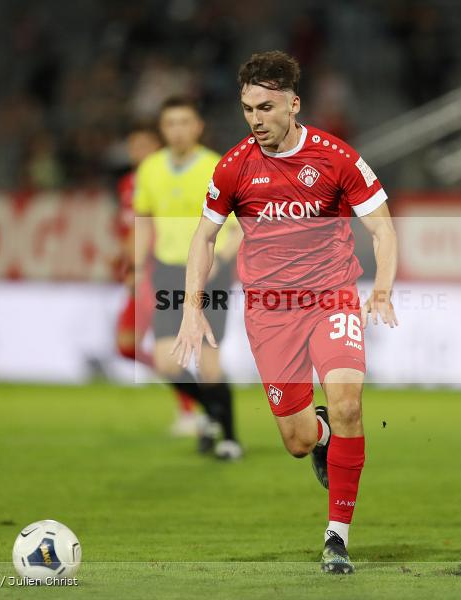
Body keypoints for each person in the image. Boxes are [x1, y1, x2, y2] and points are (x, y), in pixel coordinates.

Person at [172, 51, 397, 574]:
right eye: (248, 108)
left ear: (293, 105)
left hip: (331, 296)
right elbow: (204, 238)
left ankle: (336, 537)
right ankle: (320, 434)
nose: (256, 119)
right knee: (297, 442)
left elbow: (383, 228)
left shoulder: (336, 157)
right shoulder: (233, 166)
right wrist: (190, 308)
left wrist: (381, 288)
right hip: (270, 312)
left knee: (347, 402)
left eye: (266, 107)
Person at [133, 97, 243, 459]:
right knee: (166, 361)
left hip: (210, 273)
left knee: (209, 362)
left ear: (198, 127)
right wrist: (136, 268)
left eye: (185, 122)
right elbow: (144, 222)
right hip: (168, 271)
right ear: (162, 129)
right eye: (171, 123)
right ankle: (212, 412)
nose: (178, 130)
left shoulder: (218, 167)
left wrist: (219, 261)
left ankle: (229, 437)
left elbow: (243, 226)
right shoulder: (150, 169)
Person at [113, 122, 197, 437]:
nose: (139, 152)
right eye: (134, 146)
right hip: (138, 273)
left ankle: (189, 410)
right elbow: (128, 230)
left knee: (165, 345)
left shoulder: (168, 180)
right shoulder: (127, 184)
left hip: (160, 272)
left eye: (145, 146)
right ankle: (192, 391)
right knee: (125, 346)